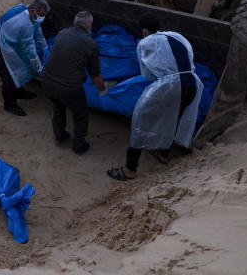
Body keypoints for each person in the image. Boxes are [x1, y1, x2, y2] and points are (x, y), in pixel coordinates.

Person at [106, 30, 203, 179]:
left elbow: (147, 74)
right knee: (174, 118)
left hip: (170, 85)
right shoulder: (177, 36)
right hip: (193, 82)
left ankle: (129, 169)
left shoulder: (145, 42)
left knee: (140, 120)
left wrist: (160, 79)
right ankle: (163, 153)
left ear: (144, 31)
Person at [42, 11, 104, 154]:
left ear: (74, 23)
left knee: (58, 107)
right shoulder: (90, 44)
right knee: (80, 115)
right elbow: (95, 76)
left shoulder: (62, 33)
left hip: (47, 81)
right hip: (68, 88)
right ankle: (79, 146)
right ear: (89, 26)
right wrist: (103, 89)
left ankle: (60, 135)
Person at [0, 0, 49, 116]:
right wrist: (39, 69)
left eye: (44, 15)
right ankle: (10, 105)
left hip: (10, 41)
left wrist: (45, 48)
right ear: (32, 11)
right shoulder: (24, 23)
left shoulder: (31, 14)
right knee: (8, 74)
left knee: (21, 66)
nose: (42, 17)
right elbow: (30, 50)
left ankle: (20, 92)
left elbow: (38, 31)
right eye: (41, 15)